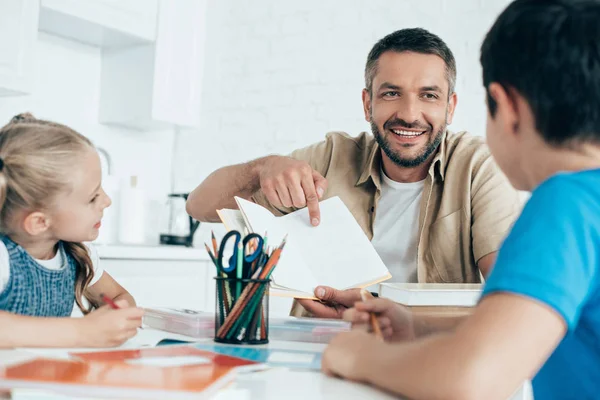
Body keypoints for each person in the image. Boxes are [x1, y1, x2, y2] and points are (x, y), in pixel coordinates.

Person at [321, 0, 600, 399]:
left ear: (506, 108)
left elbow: (472, 380)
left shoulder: (565, 205)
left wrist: (355, 357)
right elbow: (532, 327)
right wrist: (419, 327)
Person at [187, 28, 521, 318]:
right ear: (367, 104)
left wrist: (381, 315)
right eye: (391, 93)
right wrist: (262, 168)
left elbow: (510, 300)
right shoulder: (331, 158)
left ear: (450, 107)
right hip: (321, 351)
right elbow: (198, 206)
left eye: (429, 95)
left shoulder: (479, 166)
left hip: (427, 356)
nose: (409, 114)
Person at [0, 113, 144, 348]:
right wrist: (82, 331)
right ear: (39, 222)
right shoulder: (4, 256)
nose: (106, 201)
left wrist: (119, 315)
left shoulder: (78, 253)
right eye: (92, 197)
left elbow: (118, 296)